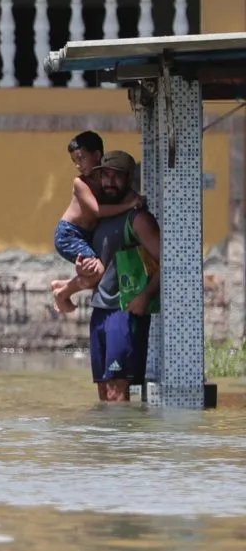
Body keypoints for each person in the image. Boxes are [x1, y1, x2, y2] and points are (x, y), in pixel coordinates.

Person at [76, 151, 160, 402]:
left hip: (124, 312)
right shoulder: (102, 214)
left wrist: (145, 298)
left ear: (130, 179)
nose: (109, 182)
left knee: (117, 390)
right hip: (100, 309)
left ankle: (125, 442)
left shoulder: (138, 219)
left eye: (117, 177)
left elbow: (168, 263)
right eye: (106, 175)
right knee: (103, 391)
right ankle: (107, 442)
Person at [51, 131, 144, 314]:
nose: (78, 165)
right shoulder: (80, 183)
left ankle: (62, 286)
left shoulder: (103, 180)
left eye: (81, 158)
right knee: (98, 271)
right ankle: (62, 293)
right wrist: (130, 205)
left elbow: (119, 192)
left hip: (87, 235)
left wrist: (136, 199)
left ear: (97, 155)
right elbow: (98, 210)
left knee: (94, 274)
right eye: (74, 161)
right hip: (69, 234)